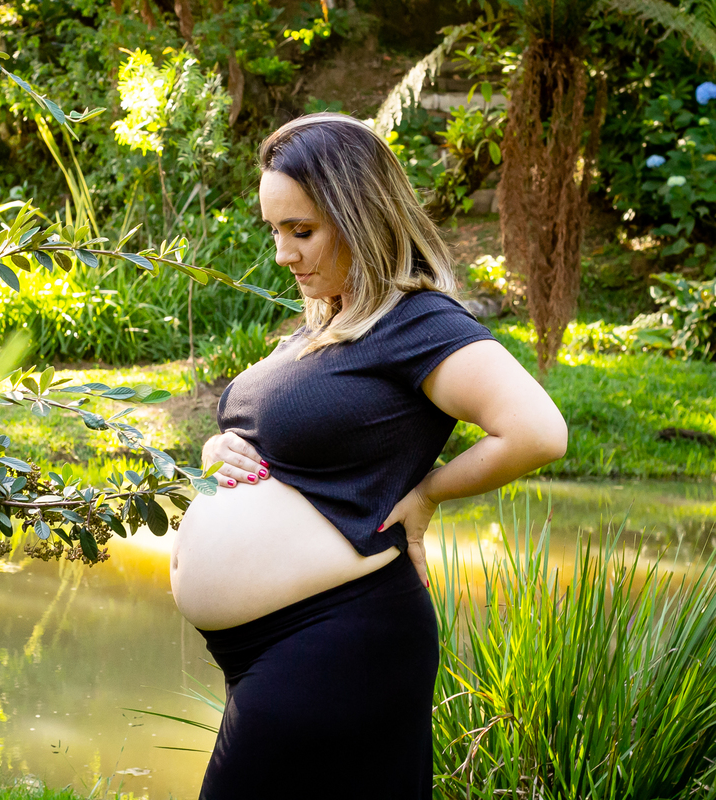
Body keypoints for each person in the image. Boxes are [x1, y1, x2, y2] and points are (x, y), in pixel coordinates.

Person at [169, 112, 568, 798]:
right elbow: (288, 439)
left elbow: (537, 431)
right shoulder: (325, 323)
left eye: (302, 231)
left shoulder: (417, 323)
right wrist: (220, 448)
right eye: (276, 231)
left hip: (341, 636)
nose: (283, 254)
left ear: (363, 217)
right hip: (274, 647)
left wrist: (428, 493)